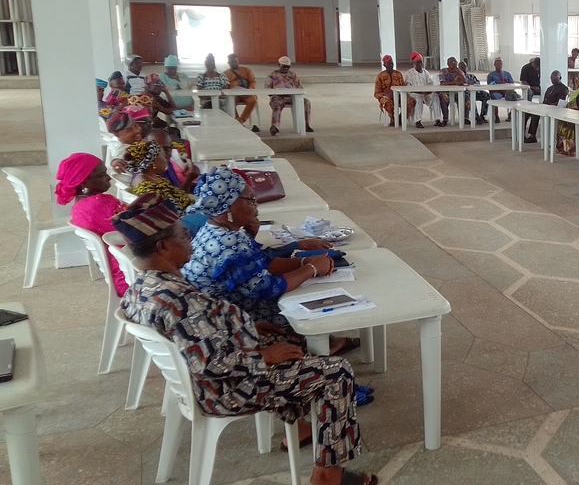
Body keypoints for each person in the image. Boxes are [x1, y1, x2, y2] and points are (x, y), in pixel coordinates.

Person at [117, 193, 378, 485]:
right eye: (182, 234)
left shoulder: (142, 287)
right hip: (226, 387)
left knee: (298, 341)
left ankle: (305, 427)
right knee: (336, 373)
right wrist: (265, 356)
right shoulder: (176, 300)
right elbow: (211, 363)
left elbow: (198, 336)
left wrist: (247, 326)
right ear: (163, 247)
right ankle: (328, 477)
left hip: (209, 376)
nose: (190, 237)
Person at [182, 168, 356, 358]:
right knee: (308, 310)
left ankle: (321, 342)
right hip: (236, 319)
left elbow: (263, 262)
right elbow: (268, 288)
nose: (256, 205)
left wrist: (304, 261)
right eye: (250, 200)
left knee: (304, 295)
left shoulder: (220, 228)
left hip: (228, 309)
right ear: (227, 207)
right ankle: (318, 350)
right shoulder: (227, 244)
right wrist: (311, 269)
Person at [55, 152, 129, 296]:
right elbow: (135, 232)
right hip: (130, 274)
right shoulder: (98, 205)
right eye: (102, 175)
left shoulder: (81, 204)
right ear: (84, 182)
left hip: (121, 268)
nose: (109, 178)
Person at [125, 141, 194, 213]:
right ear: (154, 161)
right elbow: (169, 213)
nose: (166, 159)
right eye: (164, 156)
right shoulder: (147, 187)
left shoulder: (151, 177)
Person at [266, 56, 314, 136]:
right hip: (278, 97)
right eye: (284, 66)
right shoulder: (272, 74)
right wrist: (276, 92)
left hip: (292, 97)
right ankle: (275, 126)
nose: (286, 69)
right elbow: (267, 89)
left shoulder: (292, 75)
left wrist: (294, 91)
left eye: (288, 67)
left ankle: (305, 124)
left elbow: (300, 87)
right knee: (277, 105)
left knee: (306, 102)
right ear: (279, 65)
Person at [525, 69, 569, 144]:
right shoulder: (550, 88)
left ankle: (532, 136)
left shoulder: (563, 89)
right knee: (527, 113)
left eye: (555, 78)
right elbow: (545, 100)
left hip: (555, 109)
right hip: (545, 107)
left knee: (536, 115)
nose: (553, 80)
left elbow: (560, 103)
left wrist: (547, 105)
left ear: (560, 78)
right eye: (552, 78)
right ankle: (524, 134)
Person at [224, 54, 260, 131]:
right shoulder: (225, 74)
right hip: (234, 95)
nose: (234, 63)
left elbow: (252, 82)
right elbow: (225, 86)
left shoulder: (247, 70)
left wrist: (249, 90)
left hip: (246, 93)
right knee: (229, 102)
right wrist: (235, 84)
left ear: (238, 61)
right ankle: (236, 119)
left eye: (235, 61)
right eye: (232, 62)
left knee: (253, 100)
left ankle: (241, 120)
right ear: (228, 63)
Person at [404, 52, 440, 128]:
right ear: (414, 63)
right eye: (418, 62)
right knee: (419, 98)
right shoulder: (409, 73)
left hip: (425, 93)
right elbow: (408, 88)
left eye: (421, 62)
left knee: (435, 96)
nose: (420, 64)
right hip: (414, 94)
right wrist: (419, 92)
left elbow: (430, 84)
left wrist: (428, 91)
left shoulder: (426, 72)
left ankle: (438, 120)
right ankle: (418, 121)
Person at [373, 55, 407, 127]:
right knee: (387, 102)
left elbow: (404, 87)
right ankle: (393, 119)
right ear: (384, 65)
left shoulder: (398, 74)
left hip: (398, 96)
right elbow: (376, 93)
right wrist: (385, 95)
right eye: (389, 64)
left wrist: (399, 93)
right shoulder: (380, 76)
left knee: (411, 101)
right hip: (386, 97)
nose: (391, 65)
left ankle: (400, 118)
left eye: (392, 63)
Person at [438, 57, 469, 126]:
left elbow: (464, 81)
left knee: (466, 97)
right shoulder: (443, 71)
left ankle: (465, 118)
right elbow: (442, 83)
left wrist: (458, 71)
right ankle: (445, 119)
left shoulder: (459, 71)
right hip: (447, 92)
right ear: (447, 64)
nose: (453, 63)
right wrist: (455, 83)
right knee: (443, 97)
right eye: (451, 62)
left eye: (455, 62)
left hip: (457, 93)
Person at [485, 57, 515, 123]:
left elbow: (512, 84)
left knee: (516, 97)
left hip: (507, 92)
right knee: (495, 97)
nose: (499, 65)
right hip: (497, 92)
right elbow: (490, 86)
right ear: (494, 65)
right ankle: (496, 115)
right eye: (498, 64)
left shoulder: (507, 74)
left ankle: (511, 114)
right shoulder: (491, 75)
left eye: (501, 64)